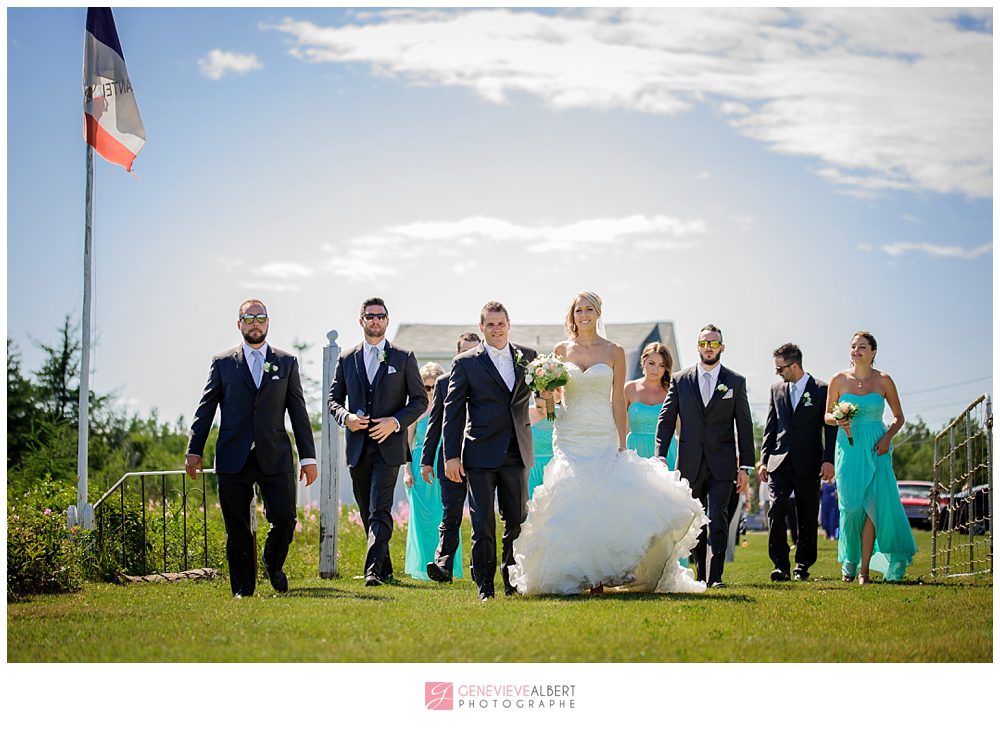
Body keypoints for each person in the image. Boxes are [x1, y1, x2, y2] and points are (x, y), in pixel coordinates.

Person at [508, 292, 707, 596]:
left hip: (602, 430)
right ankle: (578, 574)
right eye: (579, 310)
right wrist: (547, 396)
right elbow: (555, 395)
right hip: (570, 431)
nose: (584, 315)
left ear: (598, 313)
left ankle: (601, 576)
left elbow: (617, 399)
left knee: (600, 498)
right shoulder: (561, 349)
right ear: (572, 315)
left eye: (589, 309)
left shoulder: (614, 351)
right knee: (571, 499)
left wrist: (621, 438)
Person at [185, 299, 317, 598]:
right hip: (234, 457)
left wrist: (308, 456)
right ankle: (242, 590)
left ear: (268, 323)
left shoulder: (286, 362)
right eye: (249, 318)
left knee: (285, 519)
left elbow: (298, 412)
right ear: (239, 324)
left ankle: (272, 561)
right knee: (237, 528)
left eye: (260, 317)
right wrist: (194, 450)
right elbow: (205, 409)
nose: (255, 323)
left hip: (276, 455)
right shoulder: (222, 363)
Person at [327, 297, 428, 586]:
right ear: (361, 321)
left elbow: (420, 400)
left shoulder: (403, 357)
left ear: (387, 320)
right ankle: (385, 567)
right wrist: (346, 417)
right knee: (365, 509)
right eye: (370, 316)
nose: (376, 320)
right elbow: (334, 400)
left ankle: (372, 571)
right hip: (358, 445)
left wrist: (394, 422)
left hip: (390, 444)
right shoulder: (347, 359)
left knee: (380, 507)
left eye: (381, 316)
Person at [442, 302, 538, 601]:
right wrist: (451, 456)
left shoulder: (529, 358)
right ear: (481, 327)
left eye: (501, 323)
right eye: (490, 324)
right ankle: (485, 586)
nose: (496, 329)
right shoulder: (466, 362)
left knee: (517, 520)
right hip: (480, 454)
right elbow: (453, 412)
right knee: (483, 522)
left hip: (516, 451)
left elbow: (542, 396)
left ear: (509, 323)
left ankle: (511, 580)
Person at [655, 324, 755, 588]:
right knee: (695, 520)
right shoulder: (680, 379)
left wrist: (745, 467)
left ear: (722, 347)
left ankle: (716, 577)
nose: (708, 348)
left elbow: (744, 426)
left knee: (718, 517)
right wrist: (661, 454)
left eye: (713, 343)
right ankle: (700, 573)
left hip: (723, 464)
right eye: (704, 343)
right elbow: (666, 421)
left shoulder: (735, 382)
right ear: (697, 347)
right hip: (689, 462)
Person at [825, 331, 916, 584]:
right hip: (849, 446)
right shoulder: (839, 380)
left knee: (874, 508)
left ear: (873, 352)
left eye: (862, 347)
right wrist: (839, 418)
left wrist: (887, 438)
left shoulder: (884, 380)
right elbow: (826, 416)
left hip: (878, 446)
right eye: (853, 346)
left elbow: (899, 417)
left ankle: (863, 569)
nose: (856, 351)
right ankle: (850, 559)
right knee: (852, 507)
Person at [759, 343, 837, 582]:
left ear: (794, 366)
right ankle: (780, 565)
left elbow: (830, 430)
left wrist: (828, 460)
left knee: (807, 515)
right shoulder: (776, 390)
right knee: (776, 510)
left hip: (809, 462)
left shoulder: (822, 390)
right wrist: (764, 460)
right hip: (779, 462)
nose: (778, 373)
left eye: (780, 368)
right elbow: (771, 426)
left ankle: (802, 565)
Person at [421, 332, 481, 583]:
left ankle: (480, 567)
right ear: (457, 355)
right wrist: (426, 460)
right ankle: (443, 565)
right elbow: (434, 424)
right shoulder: (444, 383)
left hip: (480, 457)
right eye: (464, 352)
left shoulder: (487, 380)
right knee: (451, 514)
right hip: (449, 458)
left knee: (481, 514)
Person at [402, 362, 462, 580]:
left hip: (444, 460)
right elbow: (407, 443)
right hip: (420, 463)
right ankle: (421, 567)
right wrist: (407, 471)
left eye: (434, 387)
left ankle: (445, 565)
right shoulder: (415, 410)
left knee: (445, 514)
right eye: (426, 387)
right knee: (421, 519)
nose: (430, 392)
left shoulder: (450, 406)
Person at [625, 341, 677, 468]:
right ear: (643, 362)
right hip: (635, 450)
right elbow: (622, 427)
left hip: (666, 452)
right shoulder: (629, 388)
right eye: (651, 363)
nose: (655, 369)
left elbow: (680, 429)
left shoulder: (672, 391)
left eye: (661, 365)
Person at [527, 387, 560, 500]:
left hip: (553, 466)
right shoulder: (526, 413)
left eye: (547, 407)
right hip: (532, 468)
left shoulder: (561, 414)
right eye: (539, 407)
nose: (543, 411)